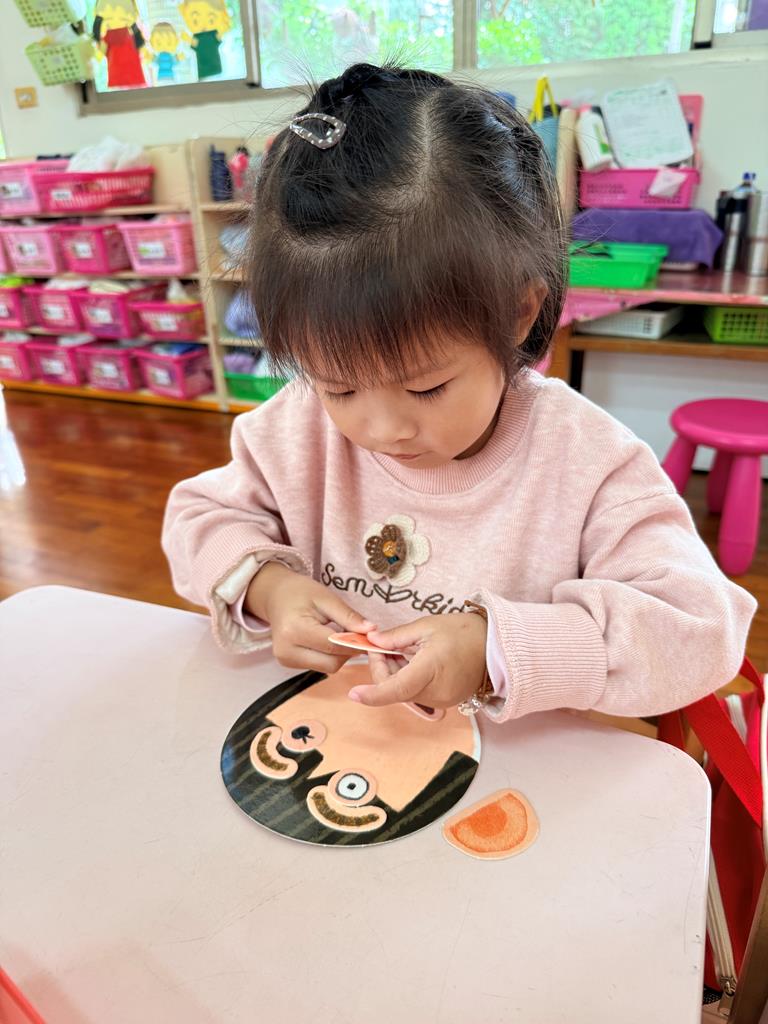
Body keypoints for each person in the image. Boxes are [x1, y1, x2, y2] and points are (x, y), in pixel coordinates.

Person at [162, 63, 755, 722]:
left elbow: (703, 628)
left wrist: (497, 649)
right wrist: (269, 588)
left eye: (427, 386)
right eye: (340, 386)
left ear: (519, 314)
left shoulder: (585, 459)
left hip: (523, 768)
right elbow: (195, 519)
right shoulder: (297, 428)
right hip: (347, 742)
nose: (382, 429)